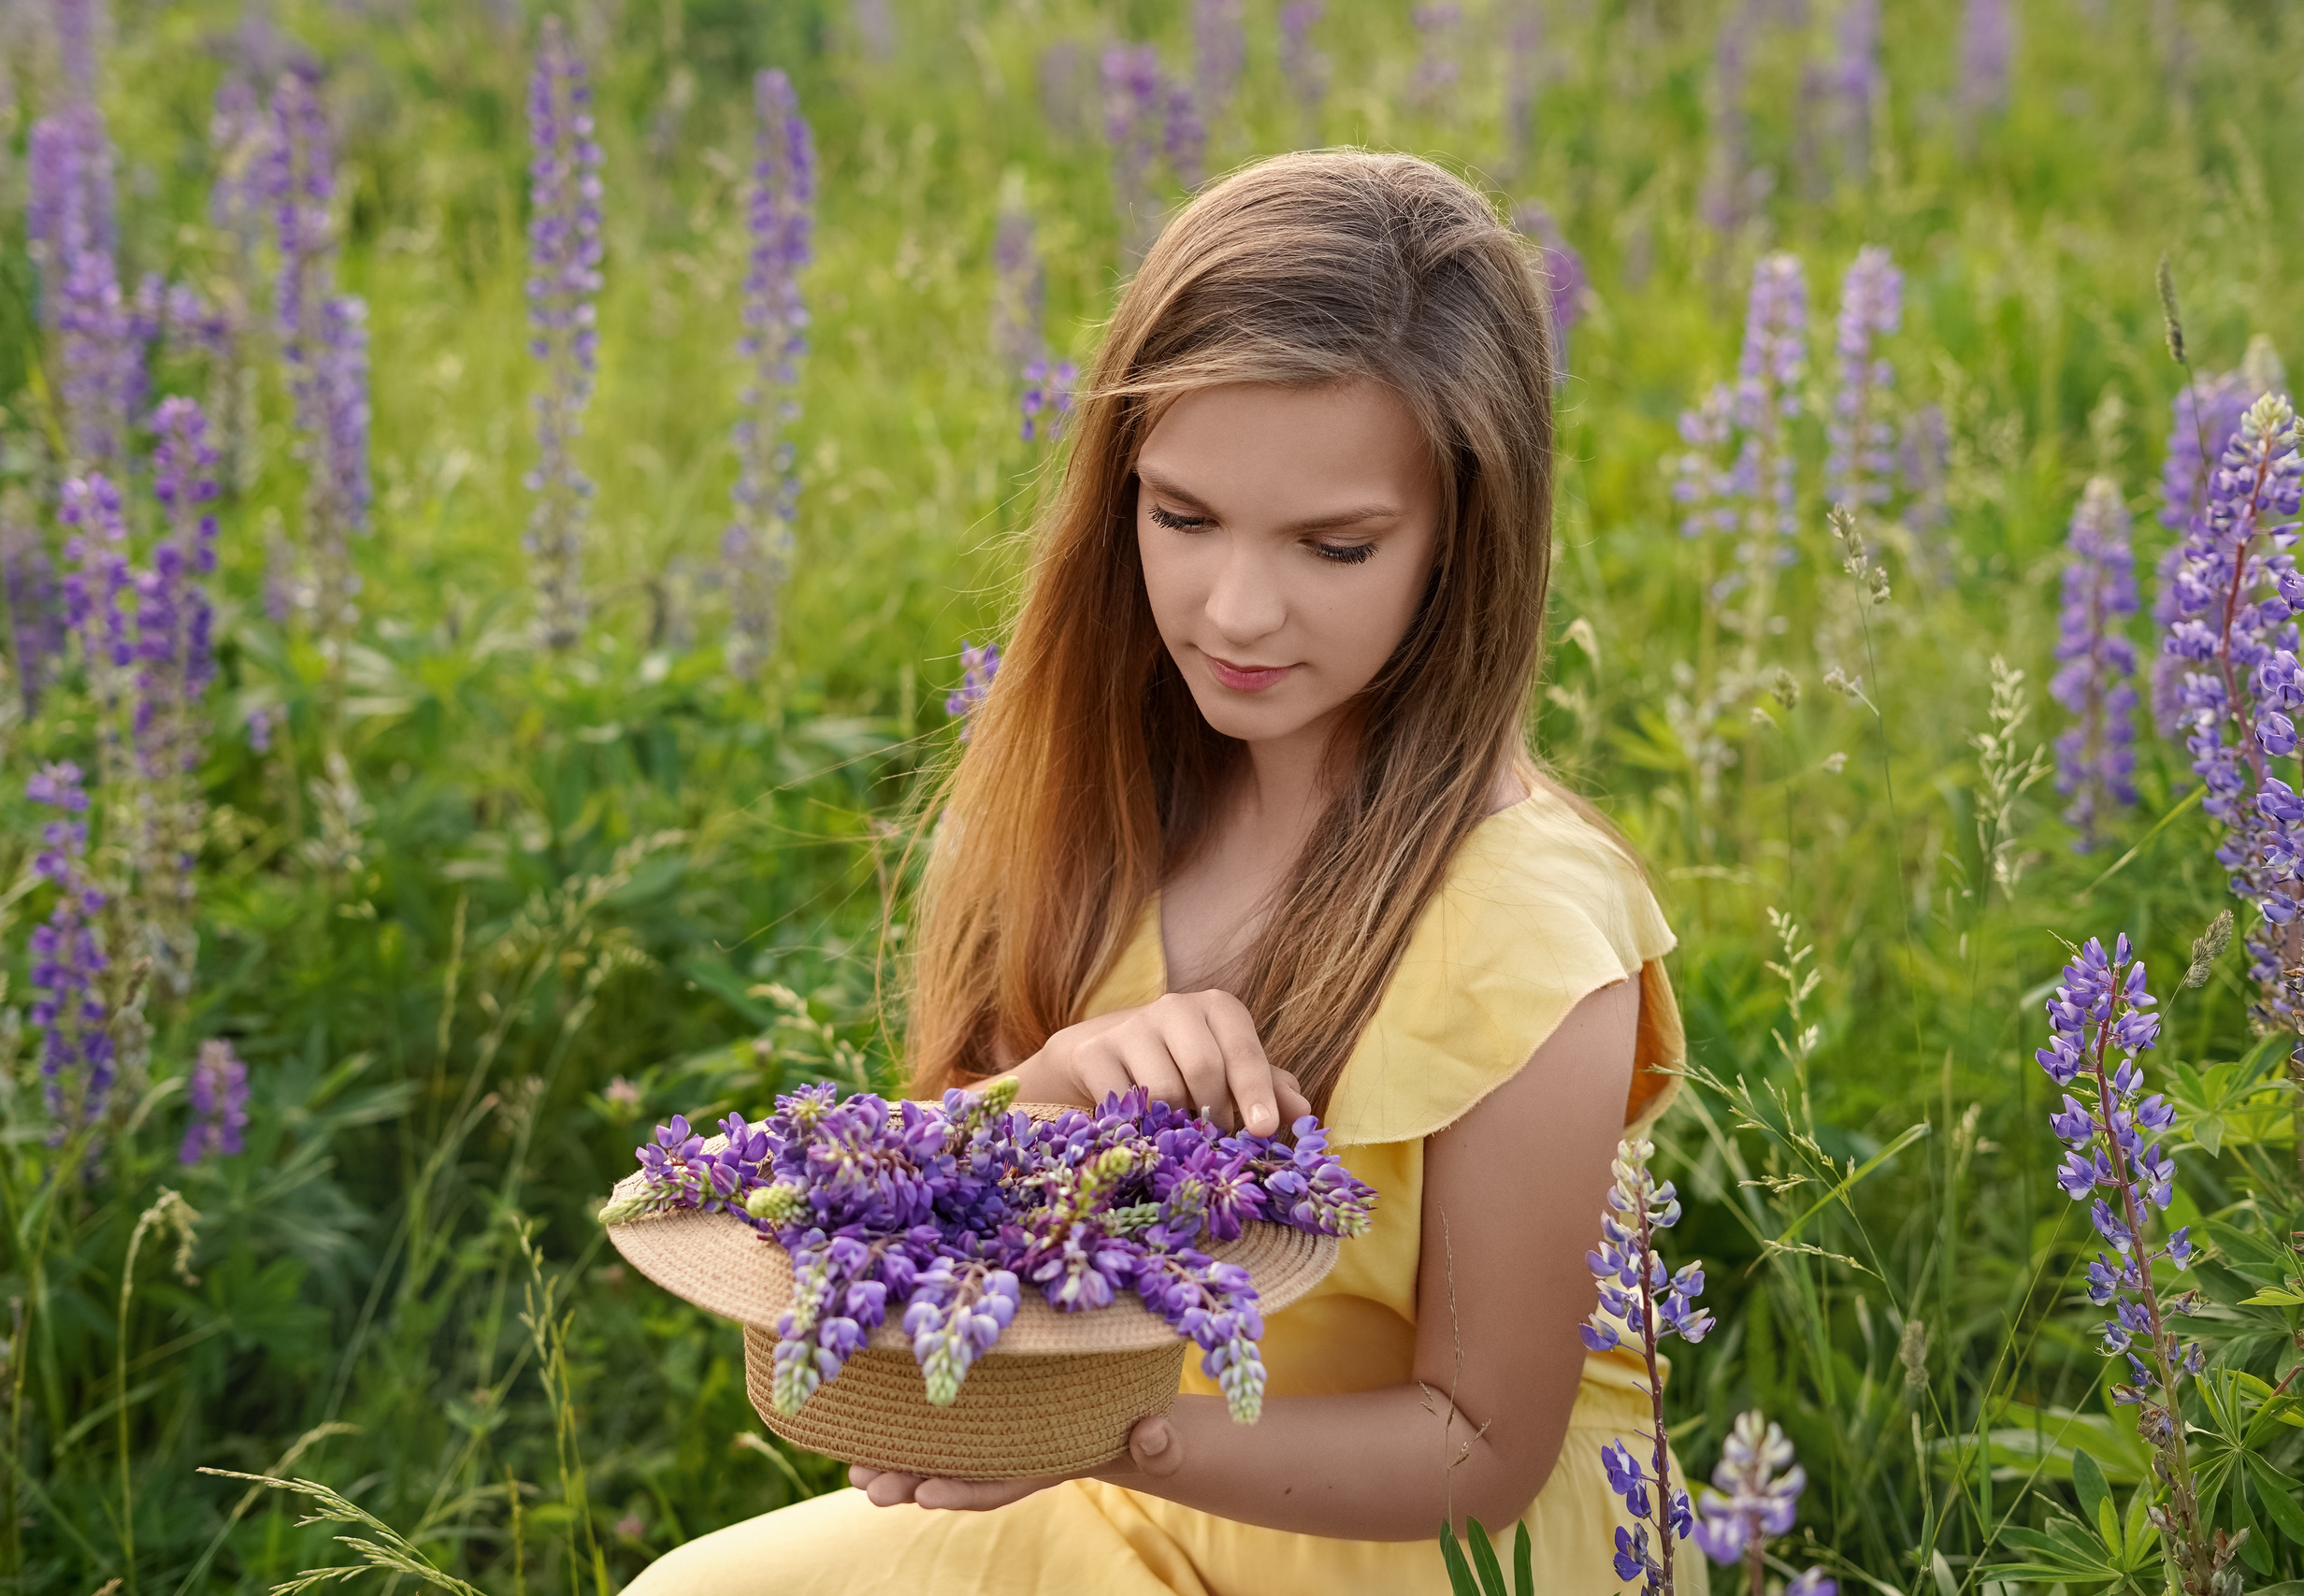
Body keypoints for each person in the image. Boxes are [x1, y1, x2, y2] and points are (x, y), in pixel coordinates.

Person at [629, 149, 1704, 1596]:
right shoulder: (1113, 794)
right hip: (1140, 1489)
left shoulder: (1523, 920)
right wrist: (1064, 1086)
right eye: (1183, 518)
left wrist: (1100, 1436)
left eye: (1335, 546)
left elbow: (1482, 1450)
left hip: (1418, 1557)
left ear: (1465, 543)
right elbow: (925, 1223)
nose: (1236, 610)